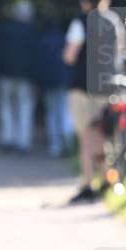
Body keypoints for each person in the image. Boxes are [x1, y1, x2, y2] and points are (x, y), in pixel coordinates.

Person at [62, 0, 125, 202]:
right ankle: (108, 179)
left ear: (84, 1)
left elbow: (69, 55)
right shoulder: (113, 20)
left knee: (85, 136)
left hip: (82, 86)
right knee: (104, 133)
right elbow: (119, 51)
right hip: (108, 86)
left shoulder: (80, 22)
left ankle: (87, 183)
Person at [0, 0, 38, 154]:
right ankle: (23, 142)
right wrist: (36, 78)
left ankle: (7, 139)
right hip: (27, 77)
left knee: (5, 107)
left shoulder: (6, 29)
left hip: (6, 75)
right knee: (25, 108)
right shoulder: (33, 31)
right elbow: (36, 57)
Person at [35, 18, 72, 158]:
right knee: (64, 111)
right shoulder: (64, 39)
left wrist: (38, 82)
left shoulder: (41, 41)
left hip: (48, 82)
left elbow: (39, 64)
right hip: (63, 80)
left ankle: (55, 145)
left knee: (51, 113)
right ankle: (68, 140)